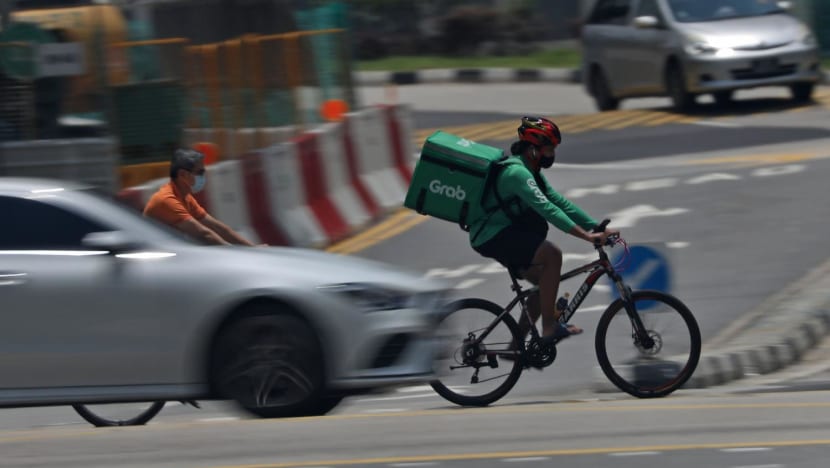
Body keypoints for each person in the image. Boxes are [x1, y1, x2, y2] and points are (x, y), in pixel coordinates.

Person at [468, 116, 619, 346]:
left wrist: (595, 226)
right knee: (552, 255)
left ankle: (518, 345)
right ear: (532, 149)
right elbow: (547, 209)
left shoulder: (533, 171)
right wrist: (587, 237)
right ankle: (549, 328)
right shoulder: (517, 174)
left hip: (504, 232)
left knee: (545, 285)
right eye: (548, 149)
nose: (552, 154)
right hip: (491, 235)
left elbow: (558, 202)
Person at [143, 148, 259, 246]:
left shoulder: (185, 197)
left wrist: (251, 248)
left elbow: (216, 227)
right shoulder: (167, 200)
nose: (203, 176)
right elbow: (204, 234)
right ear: (183, 175)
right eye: (200, 172)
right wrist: (236, 253)